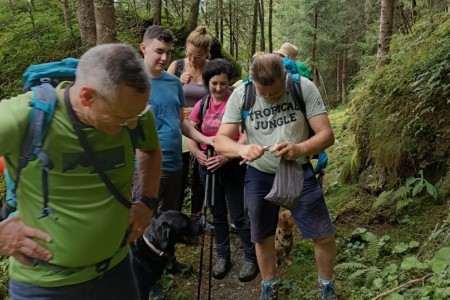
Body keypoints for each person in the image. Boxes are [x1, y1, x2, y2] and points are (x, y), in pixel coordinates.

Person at [0, 43, 162, 300]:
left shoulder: (132, 111)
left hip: (117, 274)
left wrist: (147, 201)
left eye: (137, 115)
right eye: (121, 119)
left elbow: (151, 149)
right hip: (44, 286)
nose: (133, 124)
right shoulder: (21, 118)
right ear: (87, 97)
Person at [215, 54, 337, 300]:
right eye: (264, 94)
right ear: (253, 82)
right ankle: (269, 286)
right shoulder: (243, 94)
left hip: (297, 170)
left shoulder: (302, 87)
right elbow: (221, 140)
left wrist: (300, 149)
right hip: (259, 173)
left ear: (285, 78)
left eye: (275, 93)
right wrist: (242, 149)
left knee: (323, 233)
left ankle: (326, 287)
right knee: (261, 234)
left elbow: (326, 134)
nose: (269, 98)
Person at [138, 25, 214, 299]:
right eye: (158, 51)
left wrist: (208, 139)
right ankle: (147, 276)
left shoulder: (172, 83)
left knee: (169, 217)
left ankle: (167, 261)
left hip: (174, 162)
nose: (163, 57)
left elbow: (181, 121)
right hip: (145, 168)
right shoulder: (134, 83)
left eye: (167, 52)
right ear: (143, 48)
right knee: (145, 221)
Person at [187, 59, 258, 282]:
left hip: (234, 166)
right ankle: (222, 256)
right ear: (208, 82)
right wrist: (197, 152)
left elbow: (246, 134)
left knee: (239, 215)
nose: (218, 88)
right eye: (214, 83)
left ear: (230, 83)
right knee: (217, 214)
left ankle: (250, 258)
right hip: (207, 167)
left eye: (223, 84)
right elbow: (189, 127)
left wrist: (226, 157)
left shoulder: (237, 101)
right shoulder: (203, 103)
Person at [167, 25, 211, 216]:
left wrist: (196, 111)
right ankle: (175, 214)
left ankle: (196, 215)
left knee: (200, 175)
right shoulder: (176, 66)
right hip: (180, 128)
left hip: (203, 128)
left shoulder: (211, 69)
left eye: (198, 56)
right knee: (180, 172)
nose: (193, 59)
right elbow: (164, 96)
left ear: (206, 53)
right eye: (190, 54)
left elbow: (220, 99)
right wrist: (177, 82)